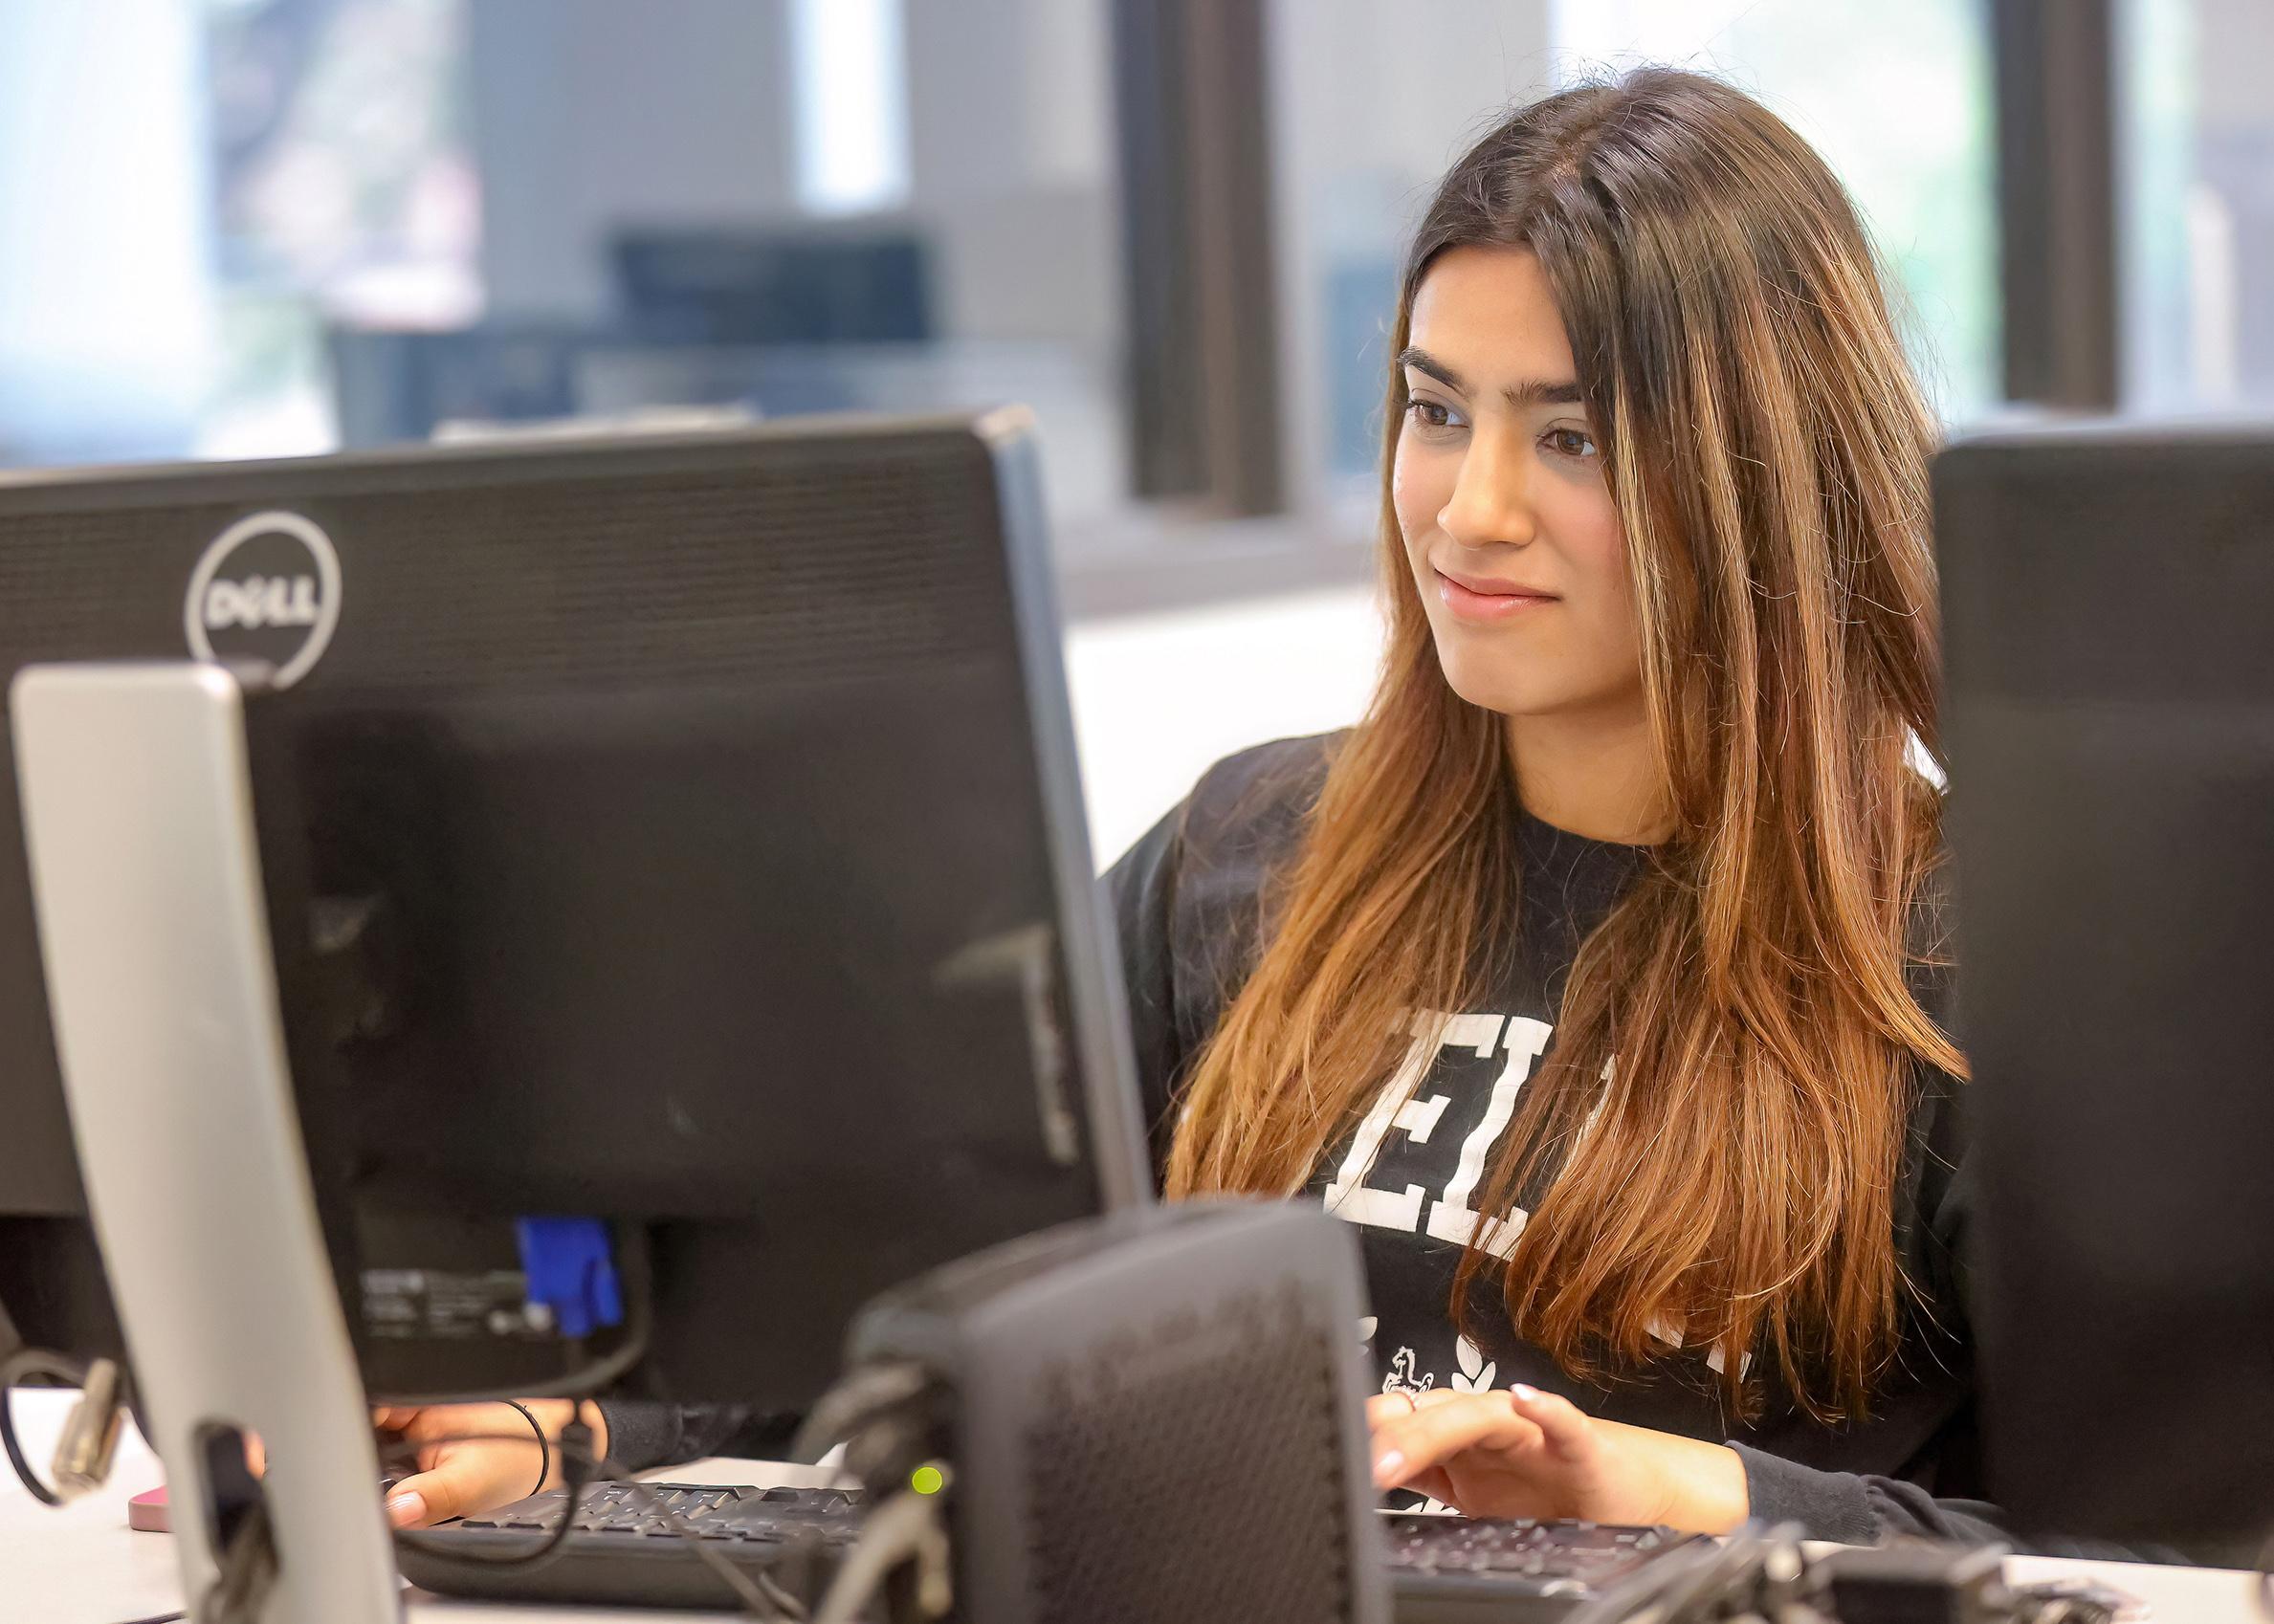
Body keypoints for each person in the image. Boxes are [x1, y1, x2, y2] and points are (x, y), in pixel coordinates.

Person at [381, 67, 1997, 1547]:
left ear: (1756, 478)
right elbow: (915, 1283)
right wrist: (586, 1420)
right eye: (1436, 412)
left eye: (1569, 437)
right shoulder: (1248, 854)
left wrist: (1681, 1489)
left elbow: (2169, 1556)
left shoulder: (1965, 956)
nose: (1471, 507)